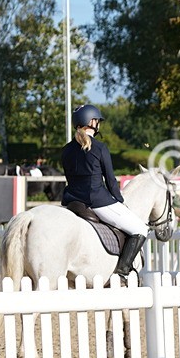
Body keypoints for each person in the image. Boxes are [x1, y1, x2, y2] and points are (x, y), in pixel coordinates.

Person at [60, 104, 148, 278]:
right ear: (92, 122)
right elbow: (110, 181)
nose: (98, 124)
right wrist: (120, 202)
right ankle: (122, 270)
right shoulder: (100, 148)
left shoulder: (66, 150)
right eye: (97, 121)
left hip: (71, 202)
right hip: (97, 201)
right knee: (140, 229)